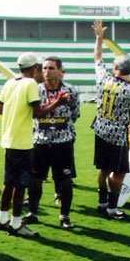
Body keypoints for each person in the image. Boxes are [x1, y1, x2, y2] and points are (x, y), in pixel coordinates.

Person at [0, 52, 68, 237]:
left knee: (8, 182)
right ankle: (17, 224)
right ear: (35, 68)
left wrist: (15, 112)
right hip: (23, 142)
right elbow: (38, 113)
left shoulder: (10, 82)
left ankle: (2, 219)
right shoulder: (30, 84)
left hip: (9, 139)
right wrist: (57, 101)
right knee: (20, 185)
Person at [91, 19, 130, 219]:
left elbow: (97, 58)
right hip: (117, 136)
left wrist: (99, 38)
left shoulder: (103, 78)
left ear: (115, 67)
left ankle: (102, 202)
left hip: (100, 130)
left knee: (104, 170)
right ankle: (112, 209)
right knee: (119, 173)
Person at [23, 56, 80, 229]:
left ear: (59, 70)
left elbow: (75, 113)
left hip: (63, 142)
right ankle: (33, 212)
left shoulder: (71, 90)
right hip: (40, 141)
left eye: (51, 68)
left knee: (64, 180)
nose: (47, 72)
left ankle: (65, 216)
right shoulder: (36, 90)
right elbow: (33, 114)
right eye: (45, 68)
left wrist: (60, 126)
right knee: (35, 179)